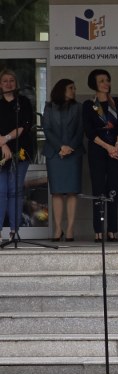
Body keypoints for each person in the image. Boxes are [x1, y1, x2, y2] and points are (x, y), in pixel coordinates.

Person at [83, 68, 118, 243]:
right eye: (101, 81)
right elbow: (89, 131)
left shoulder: (116, 103)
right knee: (98, 190)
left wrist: (116, 146)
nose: (106, 83)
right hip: (98, 150)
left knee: (113, 189)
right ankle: (98, 230)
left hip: (116, 150)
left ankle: (113, 229)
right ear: (94, 84)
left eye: (107, 80)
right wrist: (107, 147)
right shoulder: (89, 105)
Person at [42, 78, 83, 242]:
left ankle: (70, 228)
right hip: (54, 154)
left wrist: (69, 147)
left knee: (72, 191)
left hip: (73, 153)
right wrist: (60, 147)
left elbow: (80, 130)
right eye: (71, 88)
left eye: (74, 88)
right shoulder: (49, 107)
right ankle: (58, 228)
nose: (74, 91)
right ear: (62, 90)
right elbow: (46, 129)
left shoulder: (78, 107)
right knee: (57, 192)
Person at [0, 69, 34, 243]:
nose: (8, 84)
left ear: (16, 83)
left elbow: (24, 126)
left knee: (15, 191)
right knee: (1, 191)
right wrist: (3, 145)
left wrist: (6, 138)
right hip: (1, 151)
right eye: (5, 81)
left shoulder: (23, 102)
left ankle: (14, 230)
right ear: (0, 84)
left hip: (20, 152)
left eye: (11, 80)